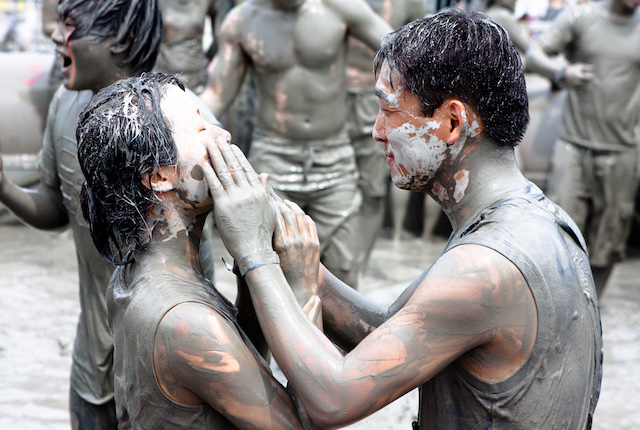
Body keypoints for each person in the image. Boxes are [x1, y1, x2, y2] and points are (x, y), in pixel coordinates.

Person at [205, 10, 603, 428]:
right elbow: (390, 332)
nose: (377, 131)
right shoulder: (538, 219)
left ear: (452, 122)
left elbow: (332, 399)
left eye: (389, 110)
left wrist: (256, 259)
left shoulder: (484, 268)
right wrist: (296, 260)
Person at [77, 72, 318, 428]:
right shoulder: (185, 320)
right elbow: (308, 422)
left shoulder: (141, 272)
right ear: (160, 177)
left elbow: (237, 368)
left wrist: (249, 258)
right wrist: (302, 282)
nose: (225, 136)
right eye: (203, 130)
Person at [0, 1, 163, 427]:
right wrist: (4, 187)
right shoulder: (64, 103)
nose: (56, 35)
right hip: (92, 367)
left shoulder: (174, 116)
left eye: (70, 25)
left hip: (164, 374)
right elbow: (58, 207)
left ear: (120, 40)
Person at [200, 0, 392, 288]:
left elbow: (401, 49)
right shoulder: (242, 22)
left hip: (334, 154)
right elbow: (217, 94)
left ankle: (337, 334)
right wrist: (185, 122)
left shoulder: (339, 8)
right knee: (267, 269)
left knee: (345, 269)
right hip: (273, 155)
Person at [525, 0, 640, 295]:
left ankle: (593, 308)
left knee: (610, 239)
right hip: (573, 146)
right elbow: (535, 55)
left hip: (624, 147)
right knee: (556, 232)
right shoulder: (581, 16)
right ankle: (557, 306)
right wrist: (562, 74)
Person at [345, 0, 428, 273]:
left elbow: (423, 47)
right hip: (332, 101)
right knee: (334, 185)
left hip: (381, 102)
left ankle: (357, 266)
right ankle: (335, 263)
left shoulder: (409, 3)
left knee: (372, 189)